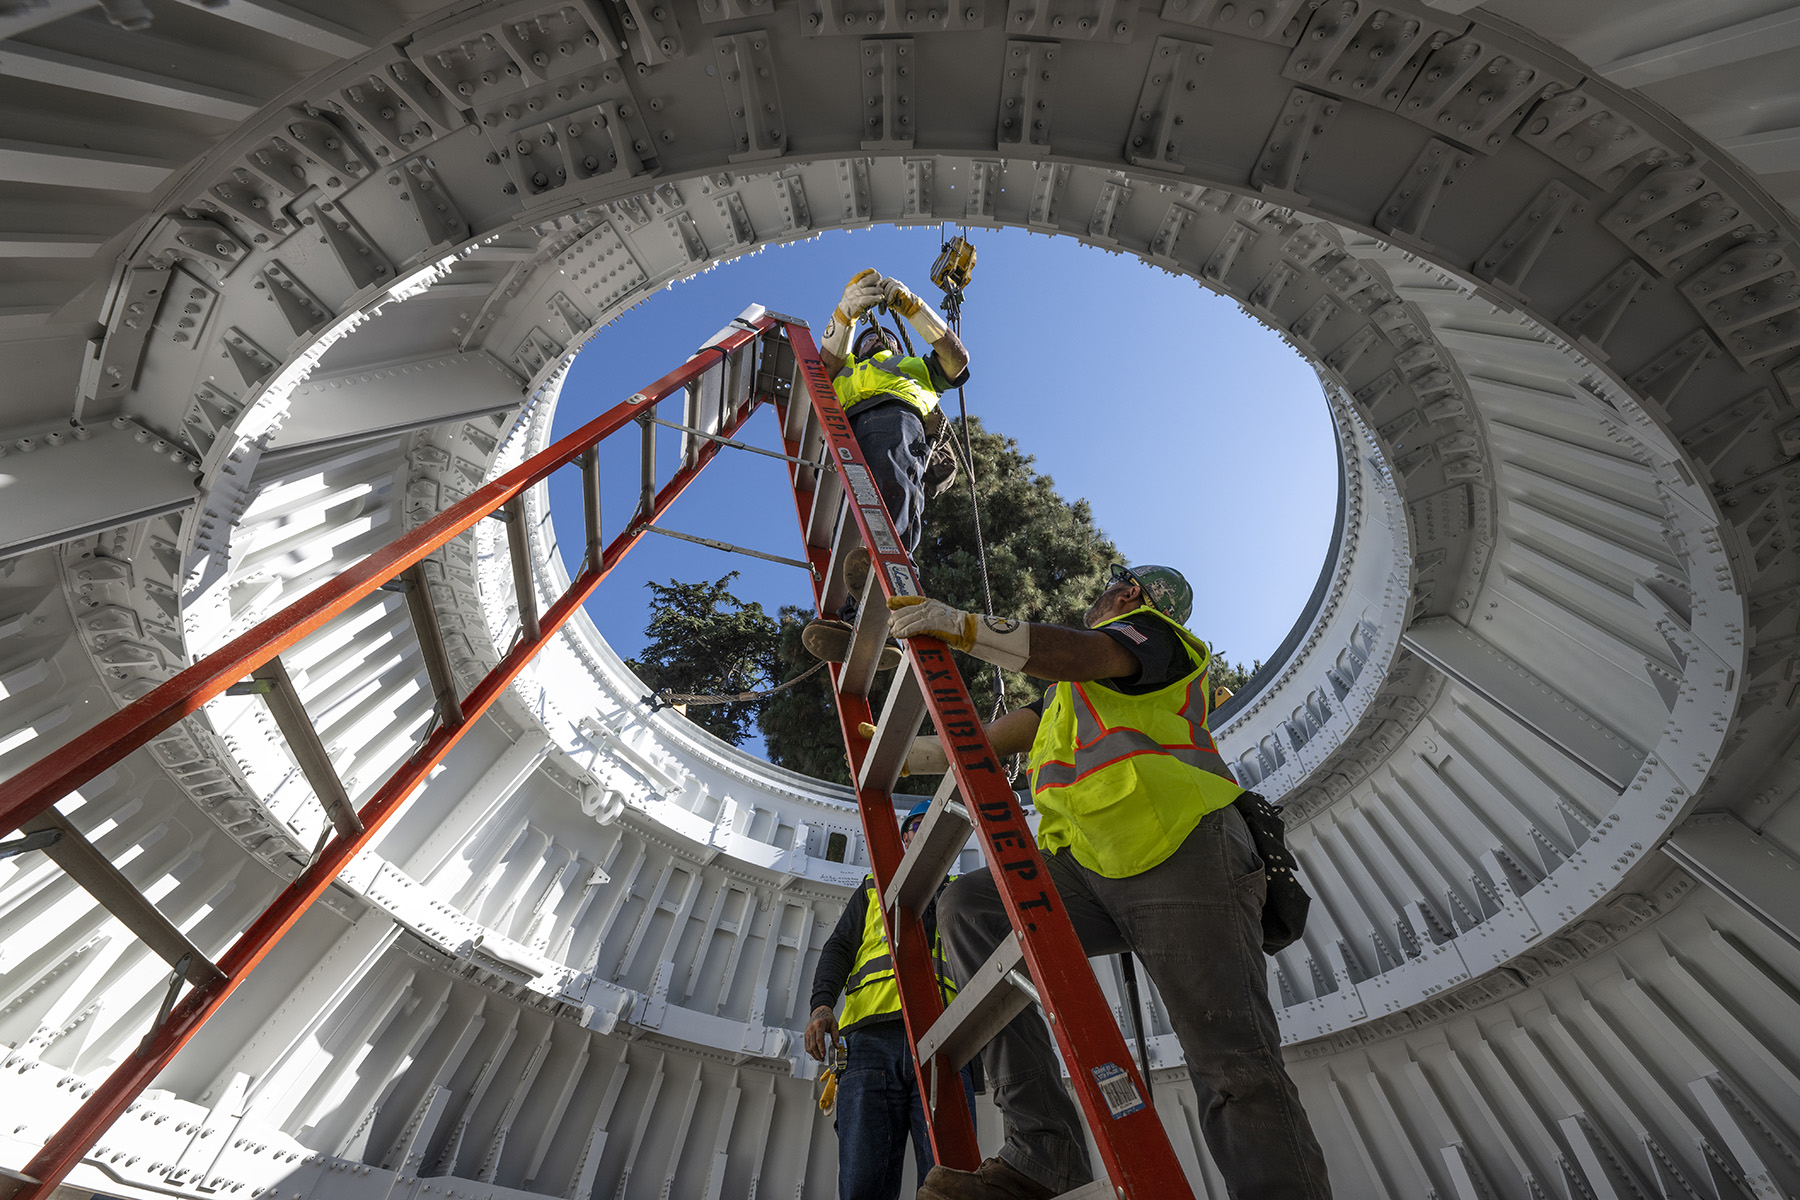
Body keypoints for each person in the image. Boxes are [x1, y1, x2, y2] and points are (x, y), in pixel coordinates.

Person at [885, 564, 1333, 1200]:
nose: (1104, 590)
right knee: (971, 906)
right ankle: (1044, 1155)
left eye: (1115, 583)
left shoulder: (1159, 638)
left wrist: (966, 628)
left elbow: (1088, 653)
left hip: (1182, 849)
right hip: (1090, 866)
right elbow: (1007, 732)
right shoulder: (1074, 694)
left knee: (1232, 1063)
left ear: (1131, 595)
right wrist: (917, 753)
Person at [800, 269, 971, 666]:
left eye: (885, 337)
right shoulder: (843, 374)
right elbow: (823, 366)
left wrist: (913, 308)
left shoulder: (918, 368)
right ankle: (858, 619)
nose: (877, 338)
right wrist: (845, 316)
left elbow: (957, 358)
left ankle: (892, 574)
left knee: (892, 485)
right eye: (866, 337)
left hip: (897, 418)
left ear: (898, 344)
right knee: (858, 519)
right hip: (847, 434)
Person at [805, 801, 969, 1200]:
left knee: (951, 1183)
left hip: (944, 1042)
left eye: (927, 826)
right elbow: (840, 947)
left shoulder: (963, 895)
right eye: (911, 827)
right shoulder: (871, 889)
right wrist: (822, 1004)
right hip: (868, 1047)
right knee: (864, 1186)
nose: (916, 834)